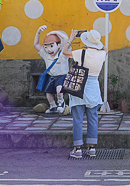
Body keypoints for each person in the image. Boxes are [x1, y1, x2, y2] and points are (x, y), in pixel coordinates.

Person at [69, 29, 106, 159]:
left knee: (78, 119)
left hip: (79, 85)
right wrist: (99, 44)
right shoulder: (102, 55)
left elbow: (64, 52)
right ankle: (92, 148)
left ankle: (78, 149)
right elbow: (105, 49)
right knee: (93, 118)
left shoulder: (81, 53)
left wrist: (71, 38)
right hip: (93, 88)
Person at [34, 24, 71, 115]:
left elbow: (66, 40)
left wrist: (55, 33)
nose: (48, 49)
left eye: (51, 46)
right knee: (48, 93)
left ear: (59, 45)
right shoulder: (46, 55)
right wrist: (38, 32)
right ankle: (53, 106)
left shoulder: (63, 54)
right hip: (51, 76)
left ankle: (61, 103)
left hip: (62, 76)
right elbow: (36, 44)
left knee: (59, 90)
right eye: (46, 47)